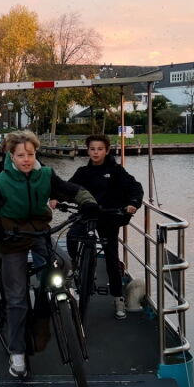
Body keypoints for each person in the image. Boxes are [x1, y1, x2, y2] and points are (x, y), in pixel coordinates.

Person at [0, 130, 99, 379]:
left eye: (30, 154)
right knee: (17, 297)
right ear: (12, 156)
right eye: (21, 155)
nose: (26, 159)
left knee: (62, 264)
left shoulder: (46, 175)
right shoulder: (0, 181)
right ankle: (17, 353)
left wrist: (88, 201)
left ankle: (45, 305)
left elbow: (69, 189)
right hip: (11, 237)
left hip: (40, 231)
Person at [66, 134, 144, 320]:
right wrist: (55, 197)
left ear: (107, 150)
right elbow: (68, 187)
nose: (96, 152)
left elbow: (135, 186)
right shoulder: (83, 172)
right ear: (88, 150)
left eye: (100, 149)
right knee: (71, 236)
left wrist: (133, 203)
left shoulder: (116, 171)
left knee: (111, 257)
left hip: (109, 216)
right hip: (87, 215)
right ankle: (75, 265)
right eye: (92, 149)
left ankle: (117, 298)